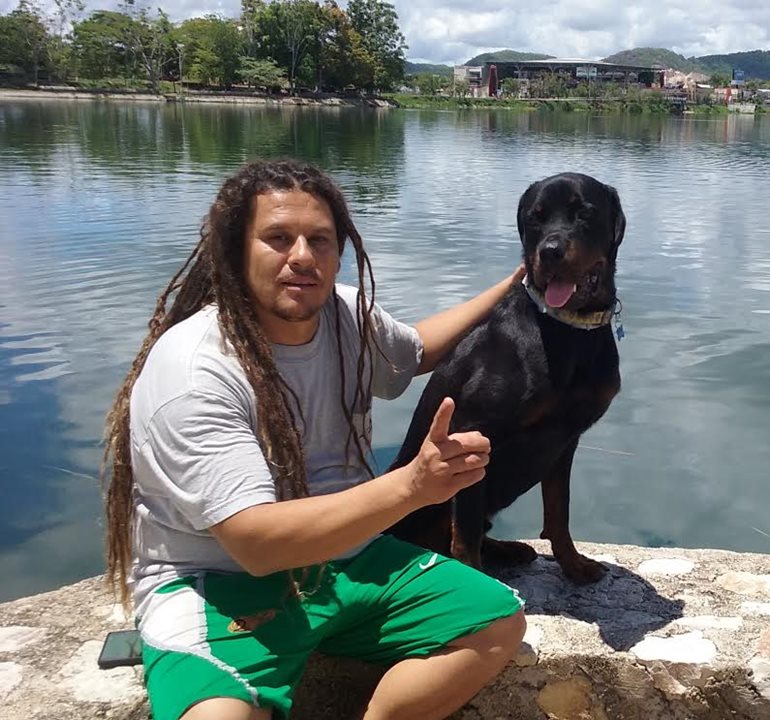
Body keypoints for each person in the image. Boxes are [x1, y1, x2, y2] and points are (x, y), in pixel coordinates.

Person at [100, 159, 527, 720]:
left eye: (320, 241)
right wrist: (414, 487)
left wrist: (515, 285)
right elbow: (257, 545)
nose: (302, 256)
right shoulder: (195, 369)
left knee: (495, 624)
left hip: (343, 560)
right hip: (214, 582)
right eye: (278, 238)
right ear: (234, 251)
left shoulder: (345, 314)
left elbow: (418, 350)